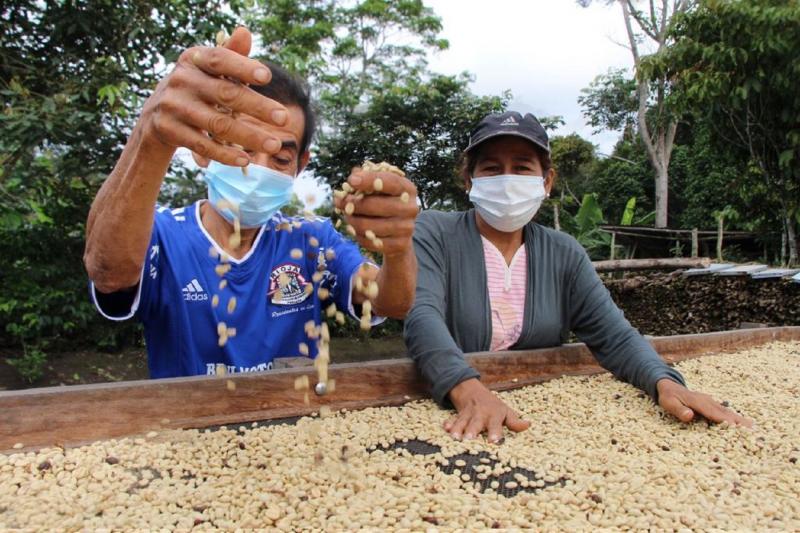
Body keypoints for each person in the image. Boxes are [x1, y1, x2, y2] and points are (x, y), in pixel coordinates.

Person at [84, 27, 418, 377]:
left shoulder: (309, 240)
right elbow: (108, 273)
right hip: (187, 426)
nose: (257, 169)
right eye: (241, 146)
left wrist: (397, 247)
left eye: (280, 158)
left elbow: (390, 302)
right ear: (202, 147)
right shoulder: (161, 235)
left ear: (300, 166)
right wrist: (150, 137)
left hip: (297, 424)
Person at [404, 110, 751, 443]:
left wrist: (664, 381)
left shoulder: (563, 252)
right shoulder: (435, 232)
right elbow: (421, 314)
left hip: (539, 425)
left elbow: (614, 336)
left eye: (522, 168)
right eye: (492, 169)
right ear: (470, 180)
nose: (507, 180)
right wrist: (467, 390)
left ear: (547, 181)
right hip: (447, 410)